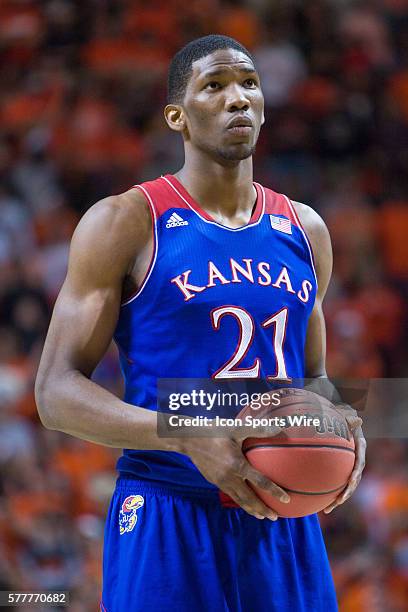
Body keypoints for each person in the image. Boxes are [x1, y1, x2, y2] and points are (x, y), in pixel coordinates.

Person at [35, 35, 366, 611]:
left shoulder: (306, 231)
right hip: (168, 510)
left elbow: (311, 381)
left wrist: (343, 423)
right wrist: (187, 434)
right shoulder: (125, 221)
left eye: (249, 83)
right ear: (177, 117)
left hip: (281, 515)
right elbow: (55, 393)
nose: (237, 98)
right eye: (214, 86)